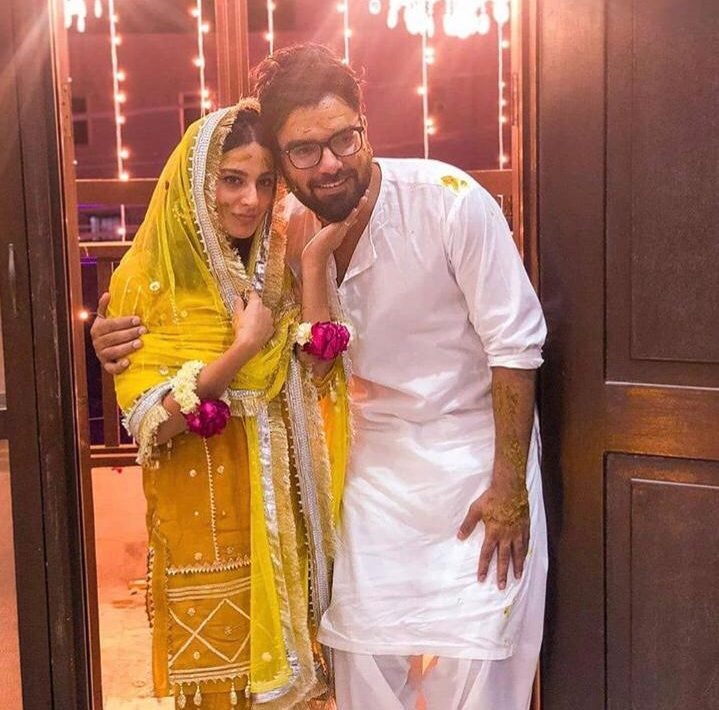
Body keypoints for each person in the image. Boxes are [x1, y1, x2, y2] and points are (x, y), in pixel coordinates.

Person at [95, 44, 548, 710]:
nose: (330, 162)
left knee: (478, 665)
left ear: (366, 127)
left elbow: (516, 344)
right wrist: (110, 333)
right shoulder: (280, 235)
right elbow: (199, 298)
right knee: (361, 664)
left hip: (472, 464)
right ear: (282, 160)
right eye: (304, 150)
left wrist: (508, 487)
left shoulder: (449, 202)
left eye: (344, 138)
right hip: (368, 479)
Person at [93, 98, 352, 709]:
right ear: (195, 182)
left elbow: (319, 368)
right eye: (231, 180)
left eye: (264, 183)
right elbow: (152, 421)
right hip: (207, 528)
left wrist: (314, 261)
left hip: (285, 519)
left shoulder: (276, 269)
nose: (249, 200)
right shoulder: (147, 279)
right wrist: (243, 349)